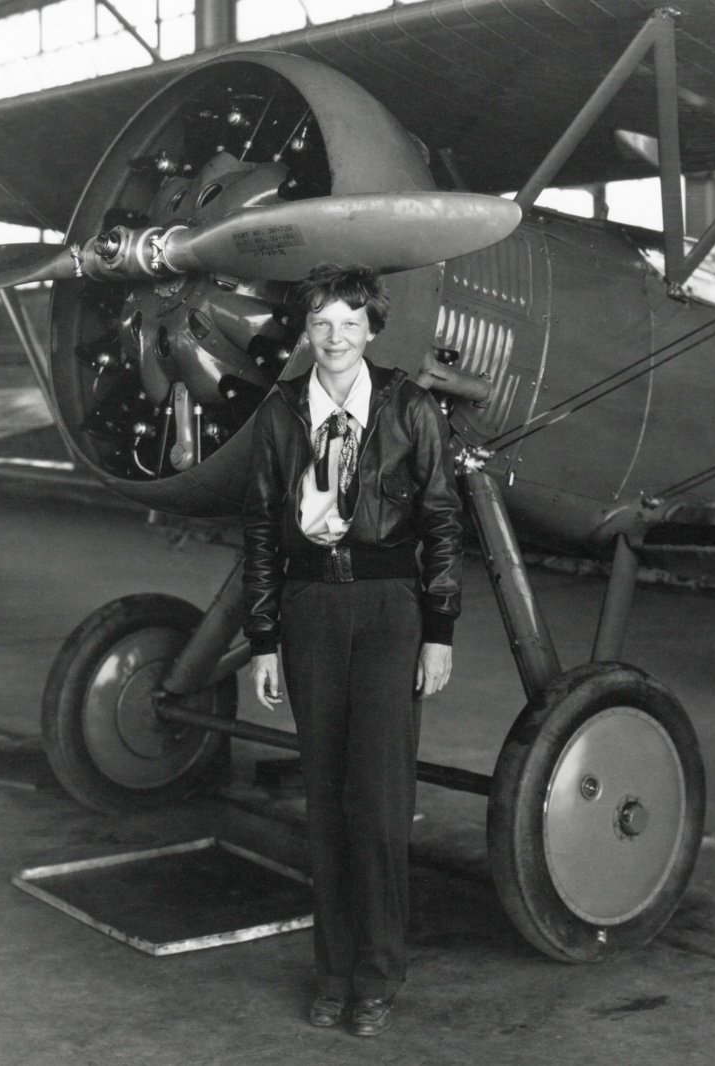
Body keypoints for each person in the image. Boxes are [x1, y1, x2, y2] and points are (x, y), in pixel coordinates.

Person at [242, 263, 463, 1037]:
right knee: (327, 800)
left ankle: (377, 976)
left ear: (372, 330)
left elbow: (440, 521)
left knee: (376, 801)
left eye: (349, 324)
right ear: (307, 333)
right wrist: (263, 638)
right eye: (321, 325)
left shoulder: (411, 408)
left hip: (388, 610)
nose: (334, 338)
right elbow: (264, 530)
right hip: (308, 609)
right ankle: (331, 972)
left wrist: (437, 630)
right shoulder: (280, 412)